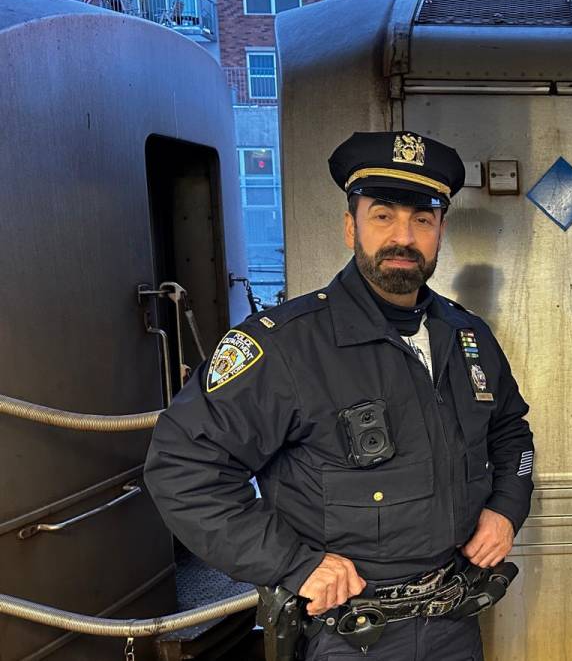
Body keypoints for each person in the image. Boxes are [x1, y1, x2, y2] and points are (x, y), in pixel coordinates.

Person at [144, 131, 535, 660]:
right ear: (351, 226)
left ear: (441, 230)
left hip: (454, 619)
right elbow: (182, 469)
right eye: (383, 216)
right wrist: (294, 564)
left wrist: (506, 508)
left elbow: (512, 433)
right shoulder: (284, 345)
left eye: (423, 219)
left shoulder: (467, 335)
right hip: (347, 633)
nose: (404, 237)